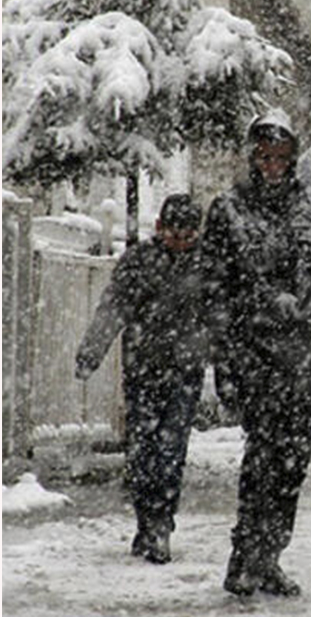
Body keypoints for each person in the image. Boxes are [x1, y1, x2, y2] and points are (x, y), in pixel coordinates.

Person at [203, 109, 311, 597]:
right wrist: (226, 356)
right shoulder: (229, 210)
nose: (272, 165)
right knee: (262, 457)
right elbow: (216, 288)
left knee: (293, 463)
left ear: (294, 157)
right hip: (256, 354)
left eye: (281, 156)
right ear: (251, 156)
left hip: (307, 357)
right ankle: (244, 555)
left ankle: (270, 556)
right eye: (264, 156)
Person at [74, 194, 207, 565]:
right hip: (145, 369)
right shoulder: (139, 262)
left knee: (171, 450)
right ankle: (147, 520)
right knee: (143, 450)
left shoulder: (207, 265)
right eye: (174, 232)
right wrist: (92, 351)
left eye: (189, 233)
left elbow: (222, 318)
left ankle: (161, 522)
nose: (181, 240)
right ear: (160, 228)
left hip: (185, 370)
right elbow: (113, 307)